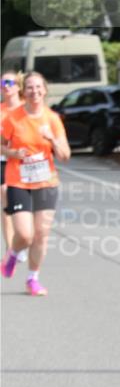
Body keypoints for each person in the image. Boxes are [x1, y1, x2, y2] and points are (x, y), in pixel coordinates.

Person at [1, 71, 71, 296]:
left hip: (46, 182)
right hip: (18, 181)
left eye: (39, 87)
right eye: (30, 87)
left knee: (41, 234)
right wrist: (14, 152)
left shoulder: (52, 118)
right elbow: (1, 146)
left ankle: (33, 279)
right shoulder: (13, 118)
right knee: (25, 234)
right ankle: (12, 254)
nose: (35, 91)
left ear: (45, 90)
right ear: (25, 91)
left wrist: (51, 139)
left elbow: (65, 155)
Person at [1, 71, 27, 262]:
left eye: (9, 82)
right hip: (3, 160)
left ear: (18, 86)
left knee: (26, 207)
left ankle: (21, 241)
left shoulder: (27, 109)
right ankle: (11, 248)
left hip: (27, 164)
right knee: (5, 195)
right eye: (2, 82)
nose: (5, 85)